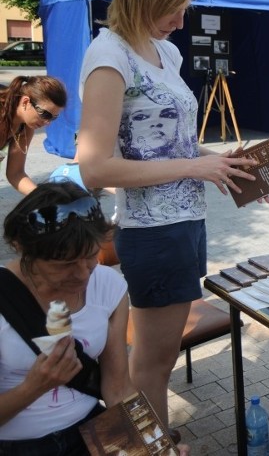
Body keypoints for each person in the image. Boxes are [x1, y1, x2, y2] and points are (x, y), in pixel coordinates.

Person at [76, 0, 258, 432]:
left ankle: (150, 441)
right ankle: (151, 444)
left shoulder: (165, 51)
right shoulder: (109, 57)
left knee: (158, 362)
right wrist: (192, 169)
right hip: (154, 232)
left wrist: (213, 161)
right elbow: (93, 167)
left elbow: (171, 145)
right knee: (150, 367)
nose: (181, 21)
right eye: (171, 10)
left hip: (184, 225)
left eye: (183, 9)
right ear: (139, 2)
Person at [0, 182, 133, 453]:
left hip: (91, 432)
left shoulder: (108, 286)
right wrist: (34, 387)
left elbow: (118, 388)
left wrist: (152, 442)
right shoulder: (4, 296)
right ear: (23, 249)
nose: (83, 274)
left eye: (91, 257)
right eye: (65, 265)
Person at [0, 75, 67, 195]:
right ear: (26, 102)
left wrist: (43, 198)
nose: (47, 122)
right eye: (45, 114)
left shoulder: (25, 126)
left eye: (53, 117)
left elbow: (15, 173)